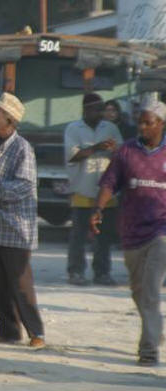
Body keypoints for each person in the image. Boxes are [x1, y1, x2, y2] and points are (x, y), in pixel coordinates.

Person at [90, 100, 166, 366]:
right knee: (137, 290)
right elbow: (109, 183)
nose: (142, 127)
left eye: (148, 122)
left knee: (150, 291)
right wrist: (98, 208)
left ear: (162, 125)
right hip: (132, 231)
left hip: (161, 231)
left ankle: (148, 350)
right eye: (140, 122)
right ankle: (154, 327)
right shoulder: (126, 152)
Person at [0, 93, 45, 349]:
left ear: (10, 121)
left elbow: (24, 187)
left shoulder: (21, 148)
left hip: (16, 228)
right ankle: (9, 330)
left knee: (21, 285)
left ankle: (36, 333)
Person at [64, 93, 122, 286]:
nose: (101, 113)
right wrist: (96, 147)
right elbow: (73, 156)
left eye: (102, 109)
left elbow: (123, 155)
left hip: (106, 193)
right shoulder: (73, 129)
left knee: (104, 236)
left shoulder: (111, 128)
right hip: (83, 189)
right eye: (97, 109)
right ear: (86, 109)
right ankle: (76, 271)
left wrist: (114, 150)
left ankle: (102, 272)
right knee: (79, 235)